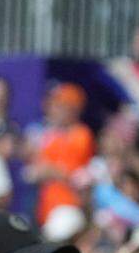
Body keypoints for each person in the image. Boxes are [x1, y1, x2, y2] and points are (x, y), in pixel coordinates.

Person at [26, 82, 95, 225]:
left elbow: (74, 175)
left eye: (60, 106)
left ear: (73, 110)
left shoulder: (81, 134)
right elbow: (34, 169)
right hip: (45, 207)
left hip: (69, 206)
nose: (53, 110)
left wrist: (50, 171)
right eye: (54, 105)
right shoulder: (49, 134)